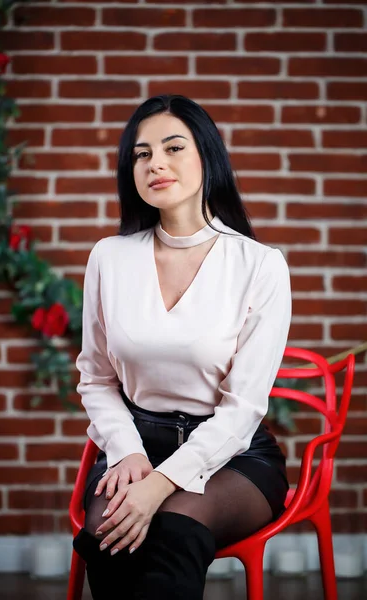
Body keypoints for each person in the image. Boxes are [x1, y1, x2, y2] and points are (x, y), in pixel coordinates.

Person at [72, 94, 292, 600]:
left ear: (207, 155)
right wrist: (126, 451)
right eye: (142, 154)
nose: (156, 164)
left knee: (170, 531)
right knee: (112, 536)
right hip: (134, 445)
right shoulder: (109, 257)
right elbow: (97, 378)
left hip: (230, 456)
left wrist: (162, 483)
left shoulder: (259, 266)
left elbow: (244, 410)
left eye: (173, 147)